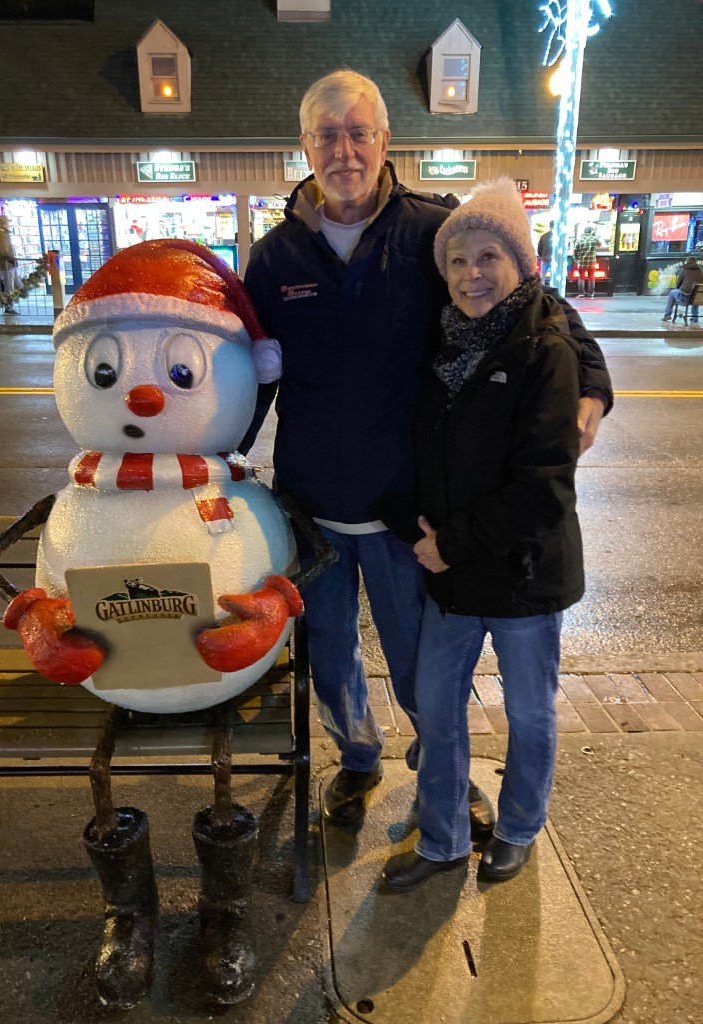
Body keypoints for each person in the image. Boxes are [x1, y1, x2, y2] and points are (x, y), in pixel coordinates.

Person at [240, 70, 611, 834]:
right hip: (311, 505)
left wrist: (594, 387)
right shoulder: (275, 258)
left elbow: (537, 303)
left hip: (408, 508)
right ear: (305, 146)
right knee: (330, 659)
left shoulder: (430, 231)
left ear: (385, 141)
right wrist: (212, 458)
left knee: (420, 664)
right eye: (327, 136)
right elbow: (244, 367)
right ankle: (358, 757)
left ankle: (441, 771)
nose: (345, 151)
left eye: (359, 133)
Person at [381, 179, 584, 892]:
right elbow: (427, 458)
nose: (473, 274)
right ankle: (442, 840)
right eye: (459, 260)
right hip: (456, 576)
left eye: (489, 257)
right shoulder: (442, 343)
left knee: (528, 713)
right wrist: (409, 522)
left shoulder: (547, 350)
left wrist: (447, 544)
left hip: (524, 573)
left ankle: (520, 828)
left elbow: (544, 488)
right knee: (437, 710)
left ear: (520, 265)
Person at [662, 255, 703, 323]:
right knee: (695, 293)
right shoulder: (700, 270)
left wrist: (679, 287)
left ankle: (667, 315)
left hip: (685, 297)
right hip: (698, 298)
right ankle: (695, 317)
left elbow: (678, 284)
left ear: (687, 262)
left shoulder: (685, 269)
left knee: (672, 293)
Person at [0, 214, 19, 314]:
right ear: (5, 222)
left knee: (10, 285)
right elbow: (5, 251)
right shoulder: (2, 235)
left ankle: (8, 306)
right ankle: (8, 307)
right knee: (9, 287)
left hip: (4, 264)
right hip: (7, 264)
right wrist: (13, 259)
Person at [573, 225, 598, 297]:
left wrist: (577, 260)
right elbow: (600, 244)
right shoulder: (594, 238)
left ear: (584, 231)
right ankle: (591, 294)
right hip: (592, 262)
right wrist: (594, 236)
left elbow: (575, 251)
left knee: (581, 278)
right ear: (591, 231)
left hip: (582, 262)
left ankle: (581, 293)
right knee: (591, 277)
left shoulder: (580, 240)